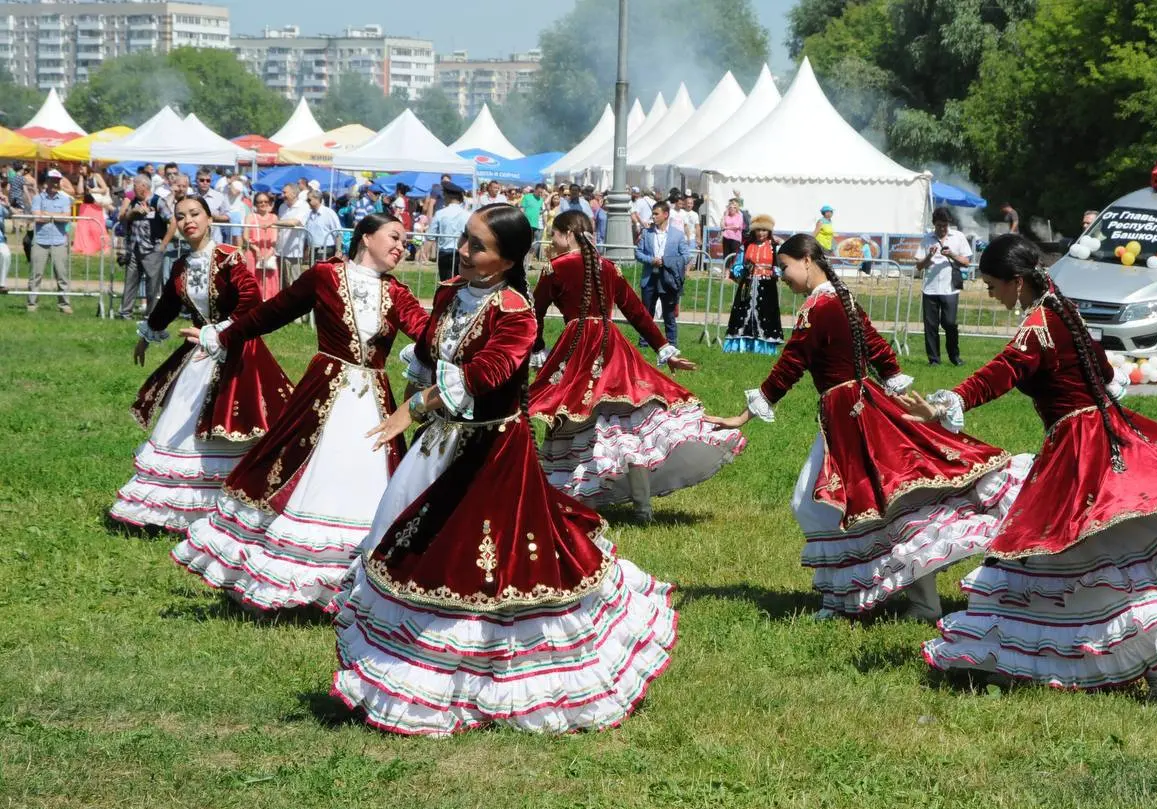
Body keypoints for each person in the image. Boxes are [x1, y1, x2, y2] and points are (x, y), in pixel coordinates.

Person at [327, 203, 677, 736]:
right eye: (465, 239)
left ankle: (493, 678)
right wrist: (416, 392)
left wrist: (416, 406)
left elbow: (486, 374)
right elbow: (429, 350)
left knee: (482, 564)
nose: (464, 252)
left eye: (478, 246)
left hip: (492, 451)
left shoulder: (516, 312)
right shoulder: (450, 292)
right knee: (408, 543)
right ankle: (414, 667)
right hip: (439, 443)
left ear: (508, 260)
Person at [903, 234, 1157, 701]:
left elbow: (1001, 372)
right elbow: (1101, 370)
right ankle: (1039, 662)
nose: (990, 293)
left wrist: (947, 402)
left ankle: (1010, 656)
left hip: (1081, 452)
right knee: (1140, 551)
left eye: (993, 285)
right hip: (1109, 435)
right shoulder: (1063, 308)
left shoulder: (1038, 326)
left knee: (1089, 556)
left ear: (1017, 281)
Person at [706, 234, 1030, 622]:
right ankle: (884, 599)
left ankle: (844, 599)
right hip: (860, 406)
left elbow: (791, 363)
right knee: (884, 504)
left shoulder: (819, 306)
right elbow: (877, 347)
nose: (782, 276)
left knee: (821, 505)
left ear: (807, 260)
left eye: (785, 267)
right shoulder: (841, 299)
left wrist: (744, 415)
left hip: (849, 414)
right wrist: (896, 391)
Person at [173, 212, 431, 612]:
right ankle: (287, 573)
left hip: (374, 402)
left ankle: (354, 584)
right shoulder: (325, 276)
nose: (402, 246)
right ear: (366, 237)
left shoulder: (397, 293)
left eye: (404, 240)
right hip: (324, 393)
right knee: (303, 471)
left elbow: (428, 334)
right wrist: (222, 336)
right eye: (394, 237)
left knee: (366, 478)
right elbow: (270, 313)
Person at [531, 210, 745, 522]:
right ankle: (642, 508)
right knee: (626, 425)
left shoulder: (555, 267)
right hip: (612, 346)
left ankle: (578, 498)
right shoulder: (608, 267)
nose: (553, 241)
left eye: (555, 234)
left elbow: (533, 312)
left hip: (577, 347)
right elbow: (636, 312)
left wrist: (537, 348)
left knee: (574, 419)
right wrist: (664, 349)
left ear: (567, 233)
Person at [110, 196, 292, 533]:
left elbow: (251, 298)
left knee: (235, 424)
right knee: (182, 420)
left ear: (209, 218)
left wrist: (220, 332)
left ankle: (234, 504)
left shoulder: (228, 258)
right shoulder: (181, 266)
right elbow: (167, 304)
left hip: (235, 350)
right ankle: (178, 507)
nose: (188, 221)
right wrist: (147, 335)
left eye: (195, 214)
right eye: (180, 217)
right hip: (197, 353)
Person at [915, 207, 971, 366]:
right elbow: (919, 266)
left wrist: (951, 254)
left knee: (950, 323)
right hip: (930, 288)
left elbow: (966, 262)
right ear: (934, 224)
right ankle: (934, 360)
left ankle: (955, 356)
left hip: (950, 289)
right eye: (939, 225)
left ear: (949, 224)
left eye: (945, 225)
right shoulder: (927, 239)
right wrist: (929, 255)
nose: (942, 229)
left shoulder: (958, 237)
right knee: (930, 326)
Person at [722, 214, 785, 355]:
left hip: (767, 285)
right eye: (758, 230)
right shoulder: (746, 245)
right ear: (754, 231)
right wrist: (742, 269)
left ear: (769, 231)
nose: (761, 233)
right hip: (748, 284)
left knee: (766, 314)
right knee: (742, 312)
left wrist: (775, 271)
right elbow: (737, 265)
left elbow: (781, 265)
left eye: (764, 230)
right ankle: (740, 345)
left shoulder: (774, 247)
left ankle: (764, 347)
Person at [635, 201, 689, 346]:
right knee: (647, 313)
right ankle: (644, 342)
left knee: (669, 314)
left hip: (668, 279)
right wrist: (651, 260)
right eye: (652, 214)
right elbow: (638, 253)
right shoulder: (646, 233)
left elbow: (686, 256)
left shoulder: (678, 235)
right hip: (650, 278)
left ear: (665, 214)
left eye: (656, 214)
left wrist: (667, 261)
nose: (653, 216)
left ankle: (671, 344)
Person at [119, 175, 169, 321]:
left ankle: (150, 315)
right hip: (134, 249)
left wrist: (164, 244)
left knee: (152, 286)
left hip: (153, 249)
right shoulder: (134, 201)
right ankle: (125, 313)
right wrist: (133, 212)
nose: (133, 189)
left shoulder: (158, 201)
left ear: (143, 186)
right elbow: (123, 217)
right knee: (130, 282)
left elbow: (172, 221)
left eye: (135, 185)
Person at [27, 169, 74, 314]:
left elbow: (66, 218)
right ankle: (32, 304)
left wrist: (47, 214)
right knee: (35, 274)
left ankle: (64, 304)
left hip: (59, 241)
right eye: (52, 180)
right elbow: (37, 218)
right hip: (40, 241)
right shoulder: (38, 198)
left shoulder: (65, 199)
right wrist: (56, 216)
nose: (55, 183)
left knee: (62, 275)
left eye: (57, 180)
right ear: (47, 181)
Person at [427, 180, 468, 281]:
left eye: (444, 195)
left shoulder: (440, 213)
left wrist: (425, 253)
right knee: (460, 282)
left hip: (444, 254)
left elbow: (431, 235)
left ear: (448, 196)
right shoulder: (468, 215)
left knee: (445, 282)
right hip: (461, 254)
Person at [243, 192, 280, 300]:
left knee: (269, 283)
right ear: (255, 204)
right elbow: (245, 236)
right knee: (253, 281)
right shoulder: (250, 217)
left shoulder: (274, 217)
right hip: (253, 254)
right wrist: (256, 249)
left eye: (265, 201)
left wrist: (268, 254)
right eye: (260, 202)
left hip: (269, 254)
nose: (263, 204)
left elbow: (275, 239)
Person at [275, 184, 309, 289]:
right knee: (282, 284)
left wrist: (273, 222)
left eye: (285, 192)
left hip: (293, 252)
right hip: (280, 250)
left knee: (294, 283)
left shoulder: (303, 206)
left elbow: (294, 222)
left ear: (294, 193)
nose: (282, 195)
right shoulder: (282, 206)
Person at [303, 190, 343, 264]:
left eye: (309, 200)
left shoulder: (329, 213)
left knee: (324, 271)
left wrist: (338, 250)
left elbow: (338, 233)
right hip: (313, 250)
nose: (307, 201)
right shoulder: (308, 214)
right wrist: (306, 249)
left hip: (326, 251)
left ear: (317, 199)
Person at [195, 167, 231, 244]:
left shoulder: (220, 196)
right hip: (195, 240)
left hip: (215, 240)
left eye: (208, 180)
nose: (205, 182)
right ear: (196, 181)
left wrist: (215, 217)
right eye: (202, 180)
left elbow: (228, 217)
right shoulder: (191, 197)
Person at [521, 183, 545, 257]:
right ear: (535, 189)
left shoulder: (541, 200)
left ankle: (529, 258)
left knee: (534, 243)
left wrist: (544, 210)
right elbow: (522, 209)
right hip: (526, 224)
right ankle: (523, 258)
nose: (540, 194)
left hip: (535, 225)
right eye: (539, 192)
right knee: (525, 242)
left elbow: (540, 211)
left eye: (541, 192)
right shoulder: (527, 197)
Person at [720, 197, 744, 262]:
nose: (732, 209)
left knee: (733, 257)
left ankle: (732, 267)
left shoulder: (739, 216)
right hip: (726, 238)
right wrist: (724, 215)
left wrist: (726, 228)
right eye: (730, 207)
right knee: (726, 257)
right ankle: (726, 268)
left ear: (736, 209)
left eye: (734, 207)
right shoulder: (727, 216)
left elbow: (737, 226)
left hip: (735, 239)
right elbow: (722, 226)